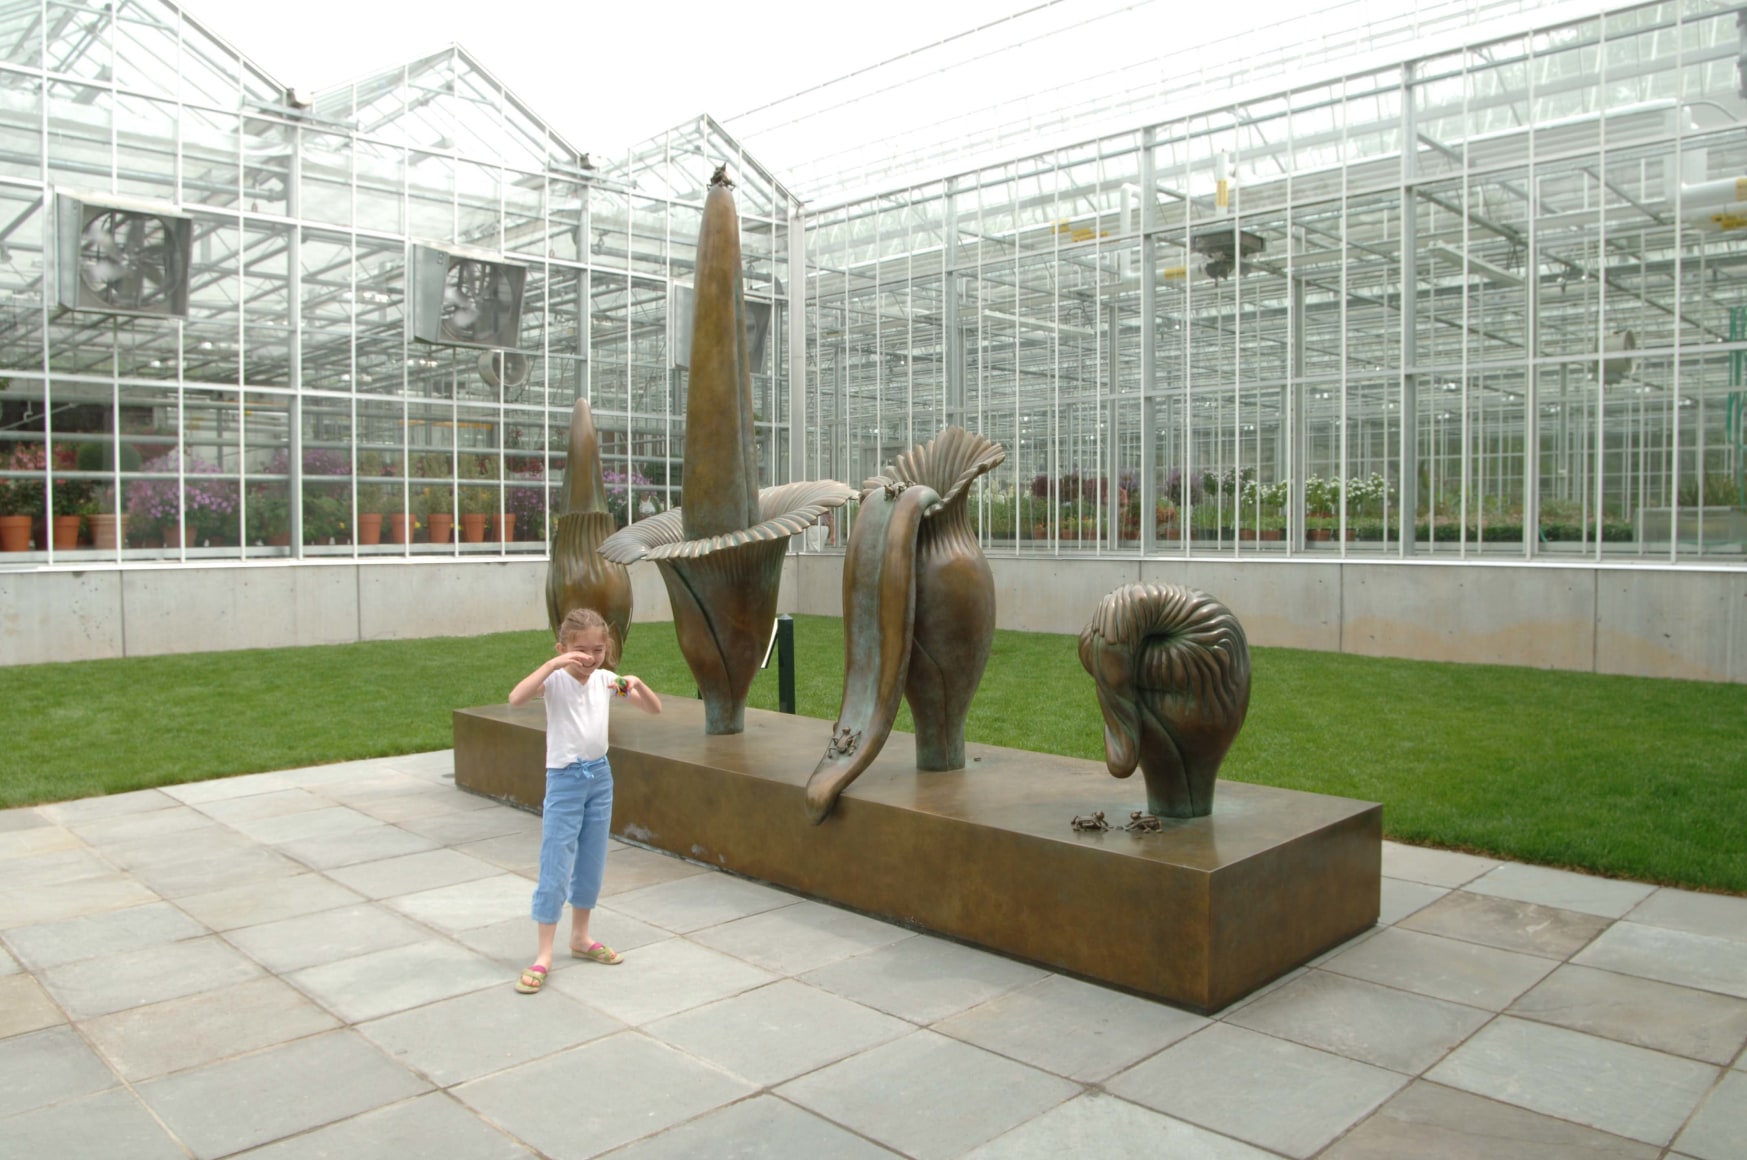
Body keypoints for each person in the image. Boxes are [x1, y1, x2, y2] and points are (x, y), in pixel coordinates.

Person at [507, 607, 661, 994]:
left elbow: (653, 709)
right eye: (580, 650)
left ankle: (580, 937)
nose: (589, 658)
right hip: (564, 780)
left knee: (592, 858)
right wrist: (553, 663)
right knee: (556, 861)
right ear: (562, 648)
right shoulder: (556, 680)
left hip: (600, 778)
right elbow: (516, 698)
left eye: (597, 649)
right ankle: (544, 953)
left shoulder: (607, 681)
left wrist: (637, 685)